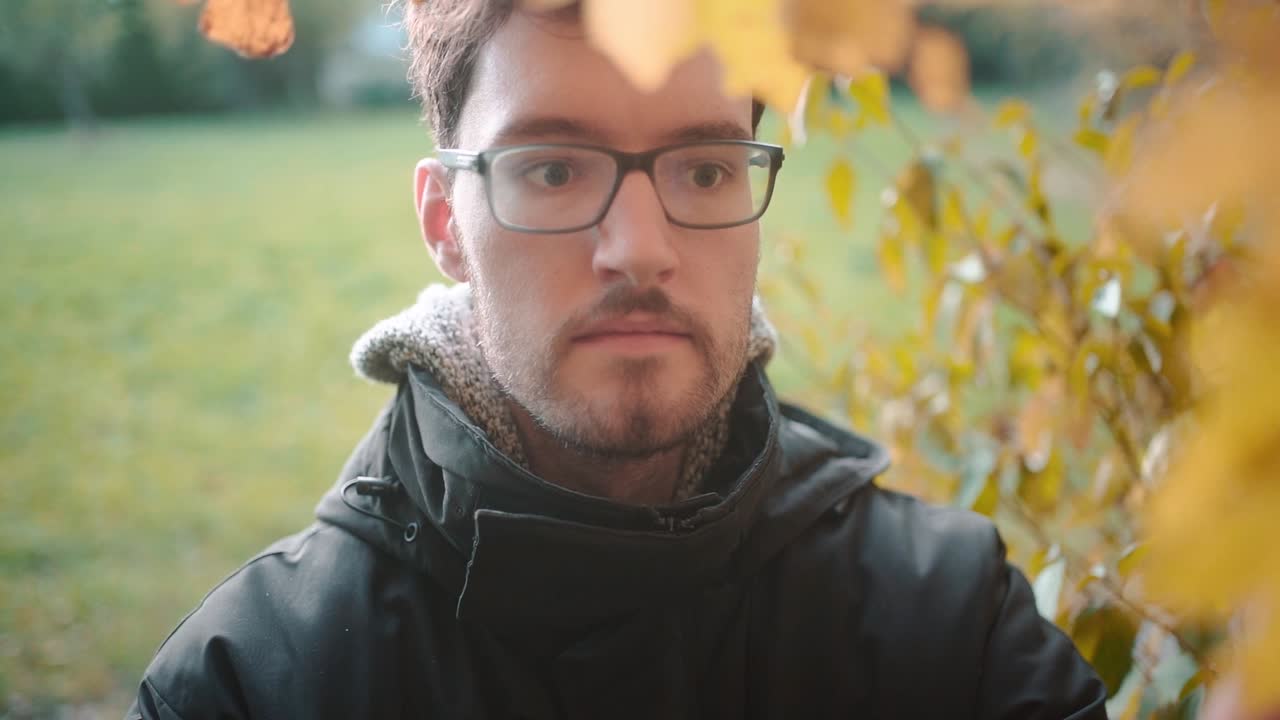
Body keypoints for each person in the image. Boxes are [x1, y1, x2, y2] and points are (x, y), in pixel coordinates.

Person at [127, 2, 1107, 718]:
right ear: (443, 224)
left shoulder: (948, 624)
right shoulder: (254, 683)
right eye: (552, 169)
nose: (639, 247)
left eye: (704, 169)